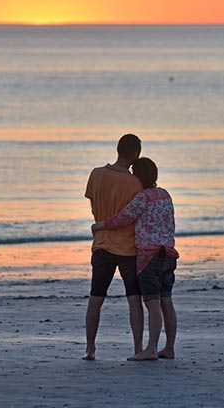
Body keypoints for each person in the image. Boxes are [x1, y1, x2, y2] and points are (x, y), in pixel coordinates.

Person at [91, 157, 178, 361]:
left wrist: (99, 225)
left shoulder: (142, 197)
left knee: (152, 303)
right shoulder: (165, 194)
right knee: (167, 301)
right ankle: (169, 347)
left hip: (150, 255)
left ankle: (151, 349)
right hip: (169, 253)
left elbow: (123, 218)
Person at [83, 134, 144, 361]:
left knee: (96, 297)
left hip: (101, 243)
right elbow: (134, 215)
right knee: (134, 298)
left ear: (117, 149)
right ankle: (138, 348)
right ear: (136, 154)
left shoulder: (97, 174)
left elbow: (93, 205)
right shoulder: (136, 183)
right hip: (128, 247)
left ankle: (90, 348)